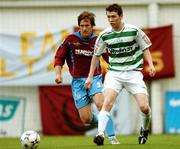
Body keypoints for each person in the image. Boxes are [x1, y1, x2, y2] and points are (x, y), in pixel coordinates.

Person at [85, 4, 156, 146]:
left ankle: (144, 129)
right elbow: (95, 56)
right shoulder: (104, 35)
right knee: (107, 103)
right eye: (108, 17)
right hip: (114, 74)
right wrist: (90, 76)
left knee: (144, 107)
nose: (110, 20)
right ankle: (100, 134)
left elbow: (145, 48)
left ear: (121, 16)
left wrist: (151, 65)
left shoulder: (134, 31)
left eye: (113, 16)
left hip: (133, 74)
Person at [54, 11, 119, 145]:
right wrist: (58, 74)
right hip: (78, 82)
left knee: (102, 104)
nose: (84, 28)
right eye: (82, 25)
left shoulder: (98, 41)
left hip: (95, 78)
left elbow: (109, 59)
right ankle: (103, 119)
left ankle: (112, 137)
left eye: (87, 25)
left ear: (92, 26)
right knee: (86, 119)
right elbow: (59, 57)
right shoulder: (70, 40)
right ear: (79, 26)